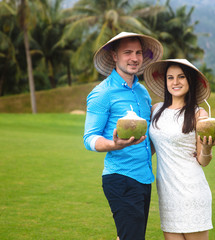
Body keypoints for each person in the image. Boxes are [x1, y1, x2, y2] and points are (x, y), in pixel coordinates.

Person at [83, 32, 163, 240]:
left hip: (144, 178)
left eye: (138, 53)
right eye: (127, 52)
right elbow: (90, 138)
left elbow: (146, 141)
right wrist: (114, 144)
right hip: (121, 178)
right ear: (114, 56)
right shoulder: (102, 93)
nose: (134, 58)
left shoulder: (142, 92)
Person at [143, 59, 215, 240]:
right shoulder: (155, 110)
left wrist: (208, 147)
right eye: (170, 77)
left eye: (181, 77)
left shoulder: (198, 114)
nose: (175, 82)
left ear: (190, 81)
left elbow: (203, 161)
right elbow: (151, 149)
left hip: (191, 191)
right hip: (167, 192)